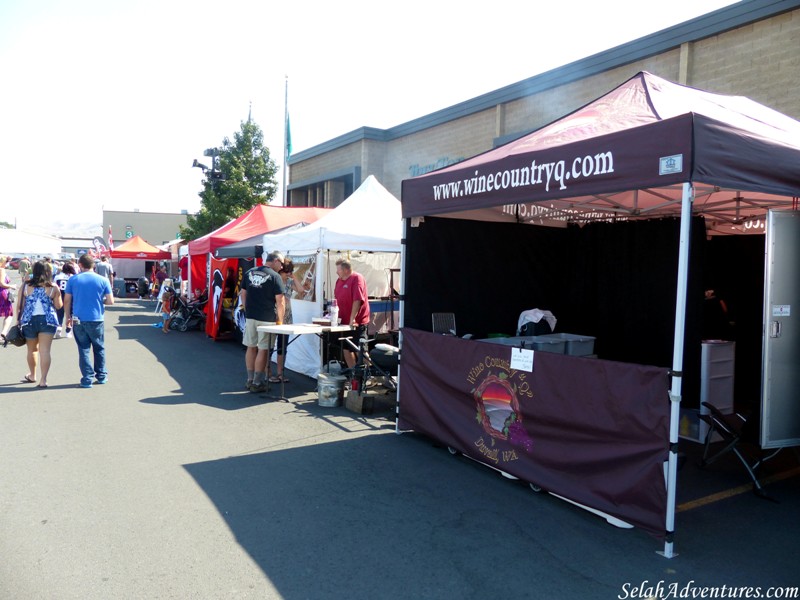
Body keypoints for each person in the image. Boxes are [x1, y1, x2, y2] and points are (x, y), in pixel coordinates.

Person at [63, 254, 115, 388]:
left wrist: (67, 317)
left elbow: (67, 300)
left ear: (80, 265)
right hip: (96, 319)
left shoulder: (73, 280)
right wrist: (100, 300)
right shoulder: (103, 280)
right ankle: (101, 375)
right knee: (99, 348)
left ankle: (87, 378)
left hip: (78, 319)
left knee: (83, 349)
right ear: (94, 265)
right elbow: (110, 301)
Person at [239, 252, 285, 393]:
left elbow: (243, 293)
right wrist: (281, 321)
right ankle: (258, 382)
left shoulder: (249, 272)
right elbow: (280, 301)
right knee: (263, 349)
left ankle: (250, 379)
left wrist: (247, 309)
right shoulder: (275, 276)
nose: (282, 266)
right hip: (267, 318)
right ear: (275, 261)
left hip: (251, 316)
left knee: (251, 347)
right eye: (281, 263)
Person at [17, 260, 63, 388]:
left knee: (32, 350)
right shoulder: (53, 286)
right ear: (47, 271)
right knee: (45, 351)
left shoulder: (26, 286)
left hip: (29, 320)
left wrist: (17, 320)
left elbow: (20, 305)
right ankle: (43, 380)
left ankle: (32, 375)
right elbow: (59, 306)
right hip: (48, 320)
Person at [334, 258, 371, 369]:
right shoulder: (339, 280)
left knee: (361, 350)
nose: (337, 272)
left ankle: (370, 375)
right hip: (343, 323)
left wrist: (352, 319)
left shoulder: (357, 278)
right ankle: (353, 375)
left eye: (338, 270)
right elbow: (337, 299)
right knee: (346, 348)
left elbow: (357, 300)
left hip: (357, 322)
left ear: (346, 270)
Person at [273, 258, 304, 384]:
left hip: (287, 316)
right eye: (286, 272)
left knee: (283, 346)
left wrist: (294, 277)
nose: (287, 274)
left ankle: (280, 373)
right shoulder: (275, 281)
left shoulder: (290, 282)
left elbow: (301, 291)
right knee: (269, 345)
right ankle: (267, 372)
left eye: (289, 272)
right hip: (274, 315)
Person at [53, 262, 77, 338]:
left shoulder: (57, 277)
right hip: (70, 298)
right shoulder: (73, 277)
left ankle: (59, 327)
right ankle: (68, 330)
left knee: (59, 314)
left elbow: (54, 286)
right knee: (70, 315)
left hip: (59, 297)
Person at [0, 256, 18, 343]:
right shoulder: (1, 270)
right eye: (6, 261)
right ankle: (3, 332)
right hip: (2, 293)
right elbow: (1, 284)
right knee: (9, 314)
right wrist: (12, 286)